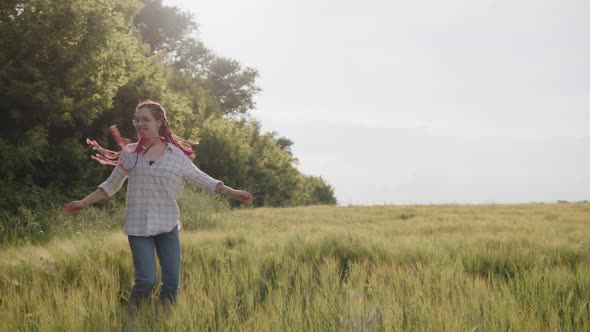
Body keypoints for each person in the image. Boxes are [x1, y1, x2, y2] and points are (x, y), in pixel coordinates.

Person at [64, 100, 253, 308]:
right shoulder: (130, 153)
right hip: (138, 226)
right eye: (137, 120)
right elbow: (110, 185)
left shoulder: (175, 155)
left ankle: (162, 319)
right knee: (146, 280)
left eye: (145, 119)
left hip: (167, 226)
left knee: (172, 283)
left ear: (159, 122)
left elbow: (203, 179)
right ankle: (133, 317)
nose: (139, 124)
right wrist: (83, 202)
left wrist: (232, 192)